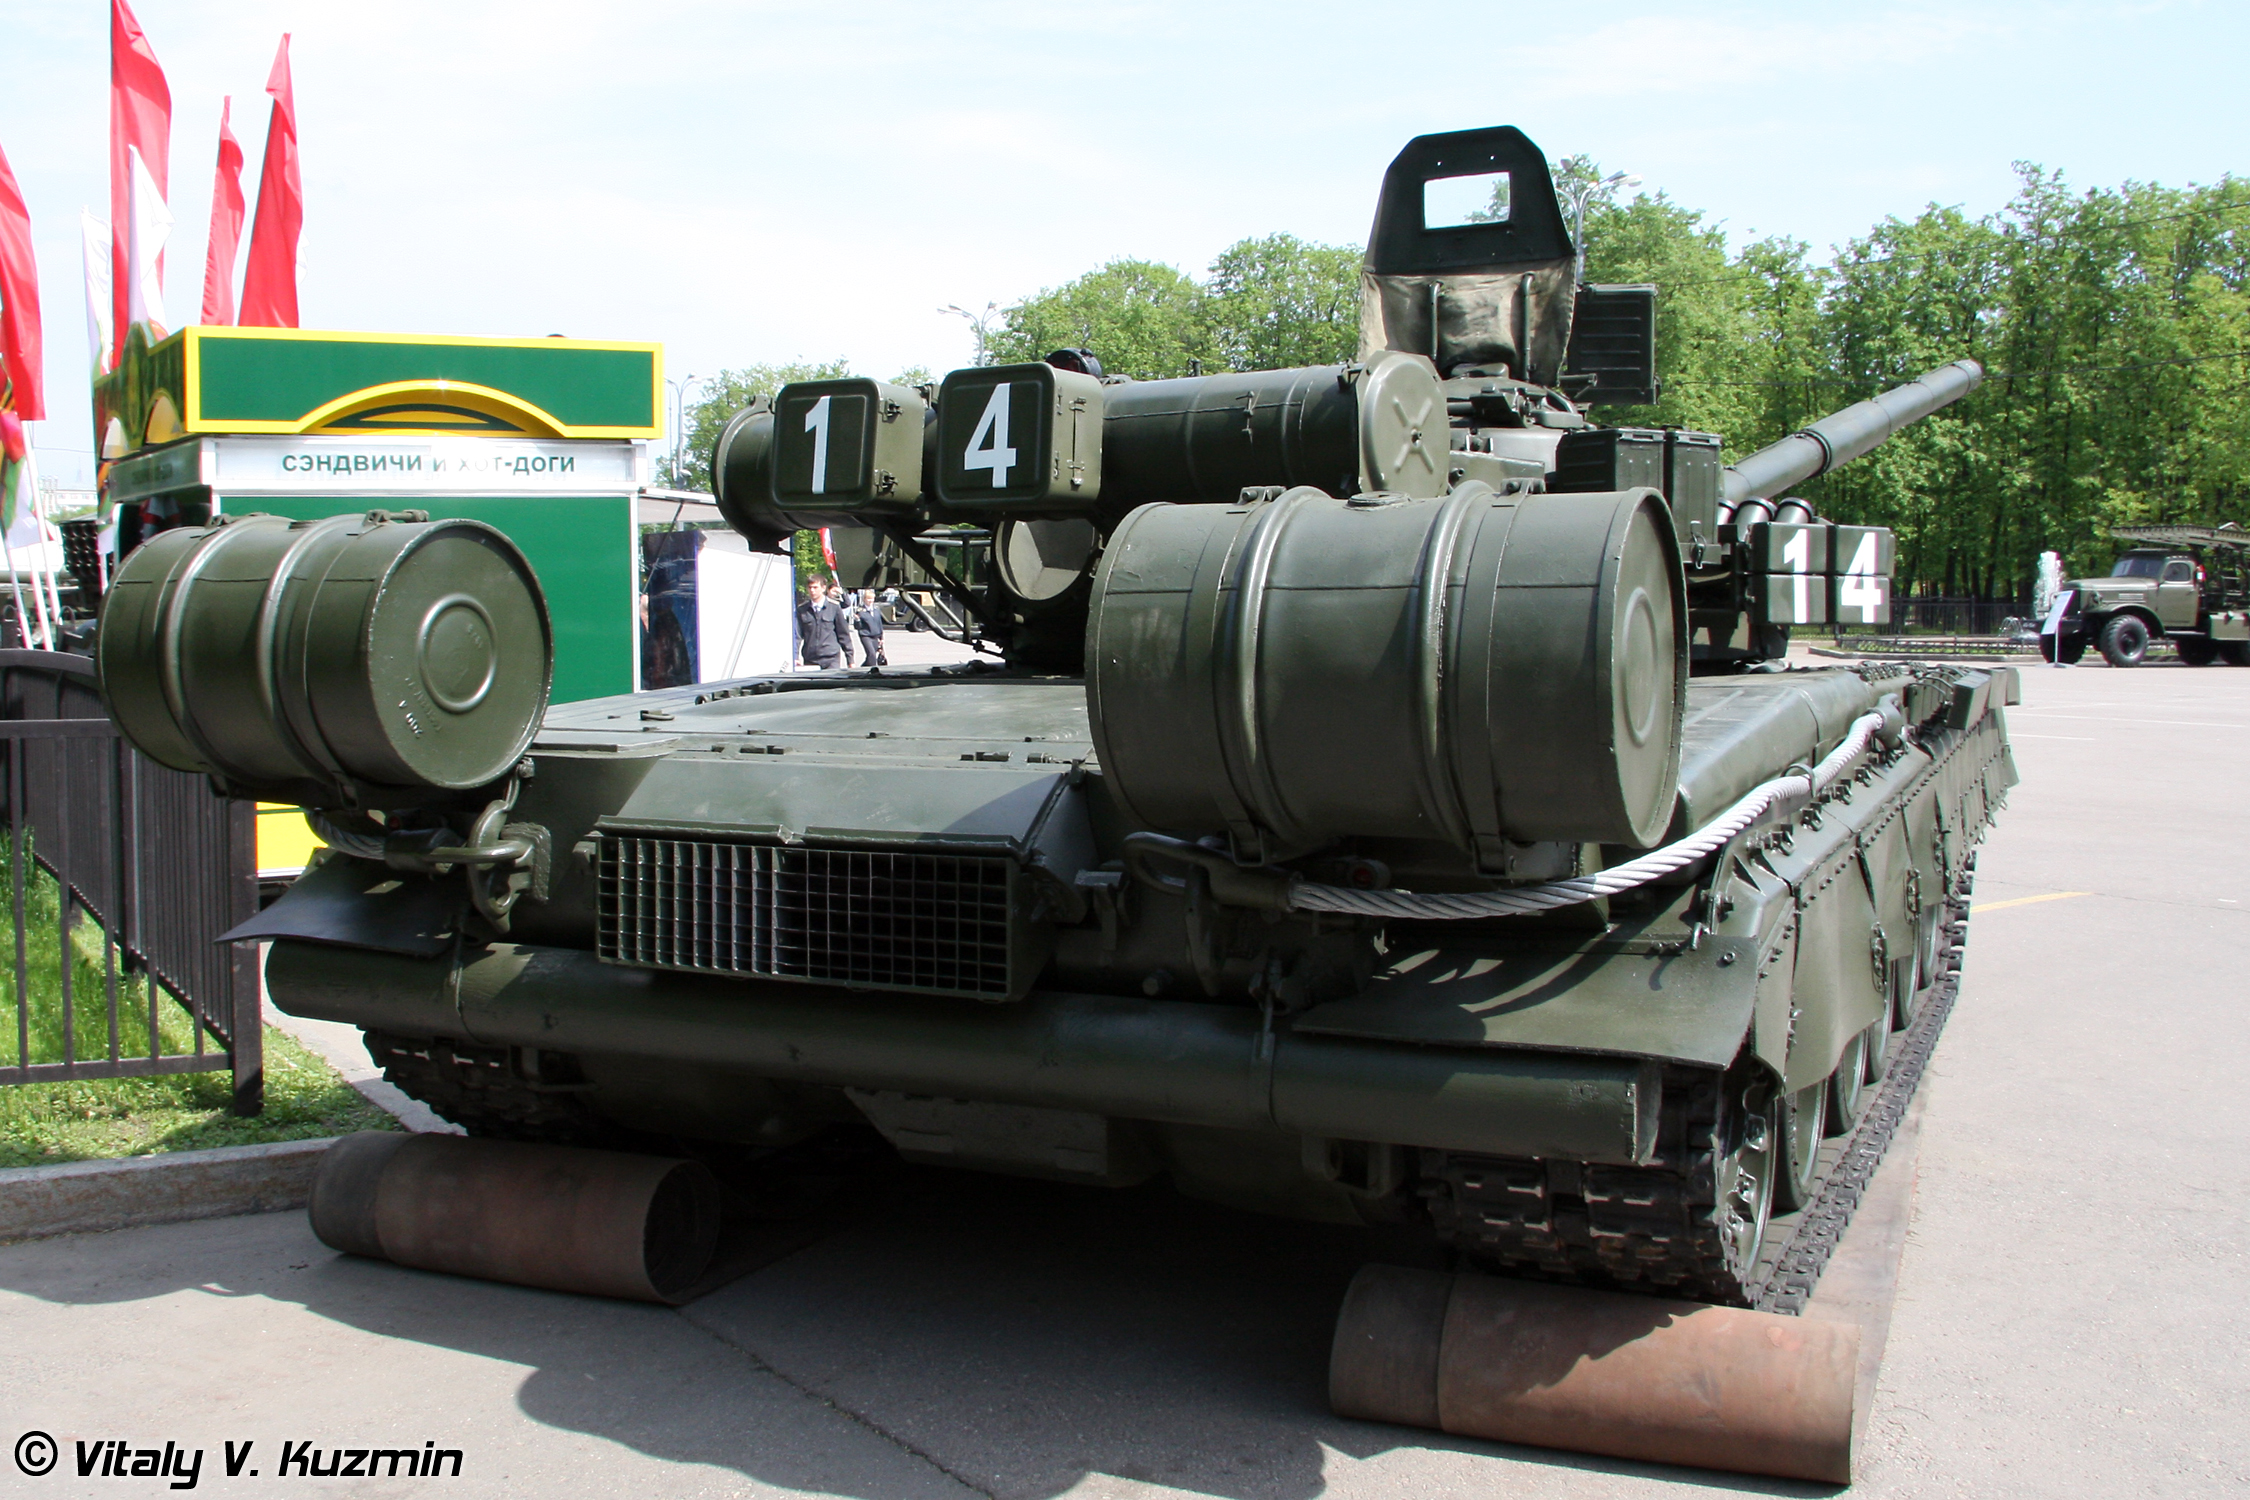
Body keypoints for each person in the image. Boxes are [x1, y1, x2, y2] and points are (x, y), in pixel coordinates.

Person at [795, 577, 854, 669]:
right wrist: (795, 657)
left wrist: (850, 660)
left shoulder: (834, 607)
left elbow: (843, 635)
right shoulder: (802, 610)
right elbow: (797, 636)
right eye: (810, 587)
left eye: (815, 587)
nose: (812, 590)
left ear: (823, 588)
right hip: (810, 659)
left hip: (831, 658)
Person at [852, 588, 887, 666]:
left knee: (870, 657)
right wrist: (857, 620)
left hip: (875, 636)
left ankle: (862, 669)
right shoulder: (860, 611)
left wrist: (881, 638)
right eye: (868, 599)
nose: (870, 601)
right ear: (864, 599)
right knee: (872, 654)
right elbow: (858, 627)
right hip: (866, 636)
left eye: (872, 599)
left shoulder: (876, 610)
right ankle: (874, 671)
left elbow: (879, 624)